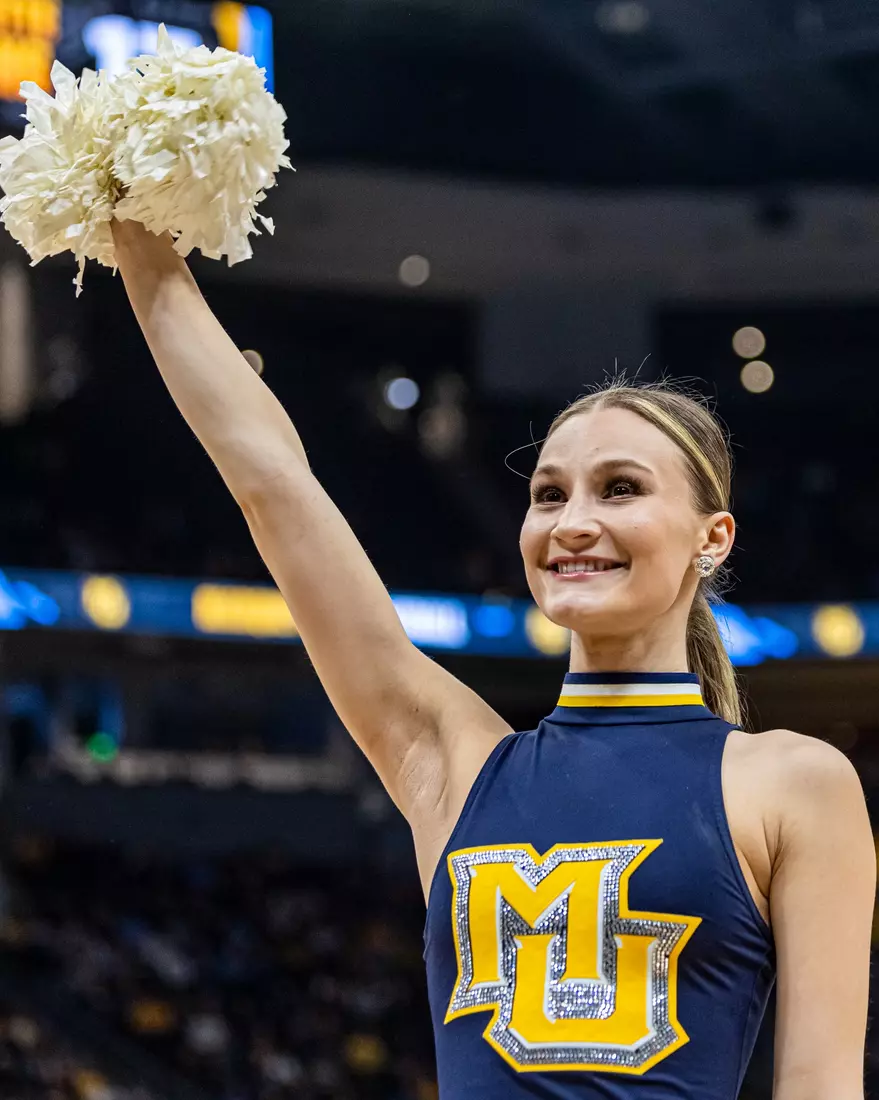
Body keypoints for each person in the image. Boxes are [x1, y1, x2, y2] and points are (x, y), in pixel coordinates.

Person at [111, 219, 875, 1100]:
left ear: (712, 539)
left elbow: (820, 1085)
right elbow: (271, 482)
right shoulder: (449, 760)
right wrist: (135, 237)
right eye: (547, 494)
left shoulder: (794, 783)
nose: (571, 521)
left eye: (618, 489)